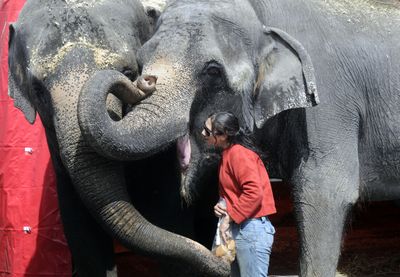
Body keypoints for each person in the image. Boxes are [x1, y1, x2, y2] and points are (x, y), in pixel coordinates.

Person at [202, 111, 276, 277]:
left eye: (207, 131)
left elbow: (254, 193)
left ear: (222, 135)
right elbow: (237, 193)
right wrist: (222, 207)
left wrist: (229, 217)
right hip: (240, 228)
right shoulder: (228, 155)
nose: (202, 134)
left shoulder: (239, 154)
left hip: (250, 230)